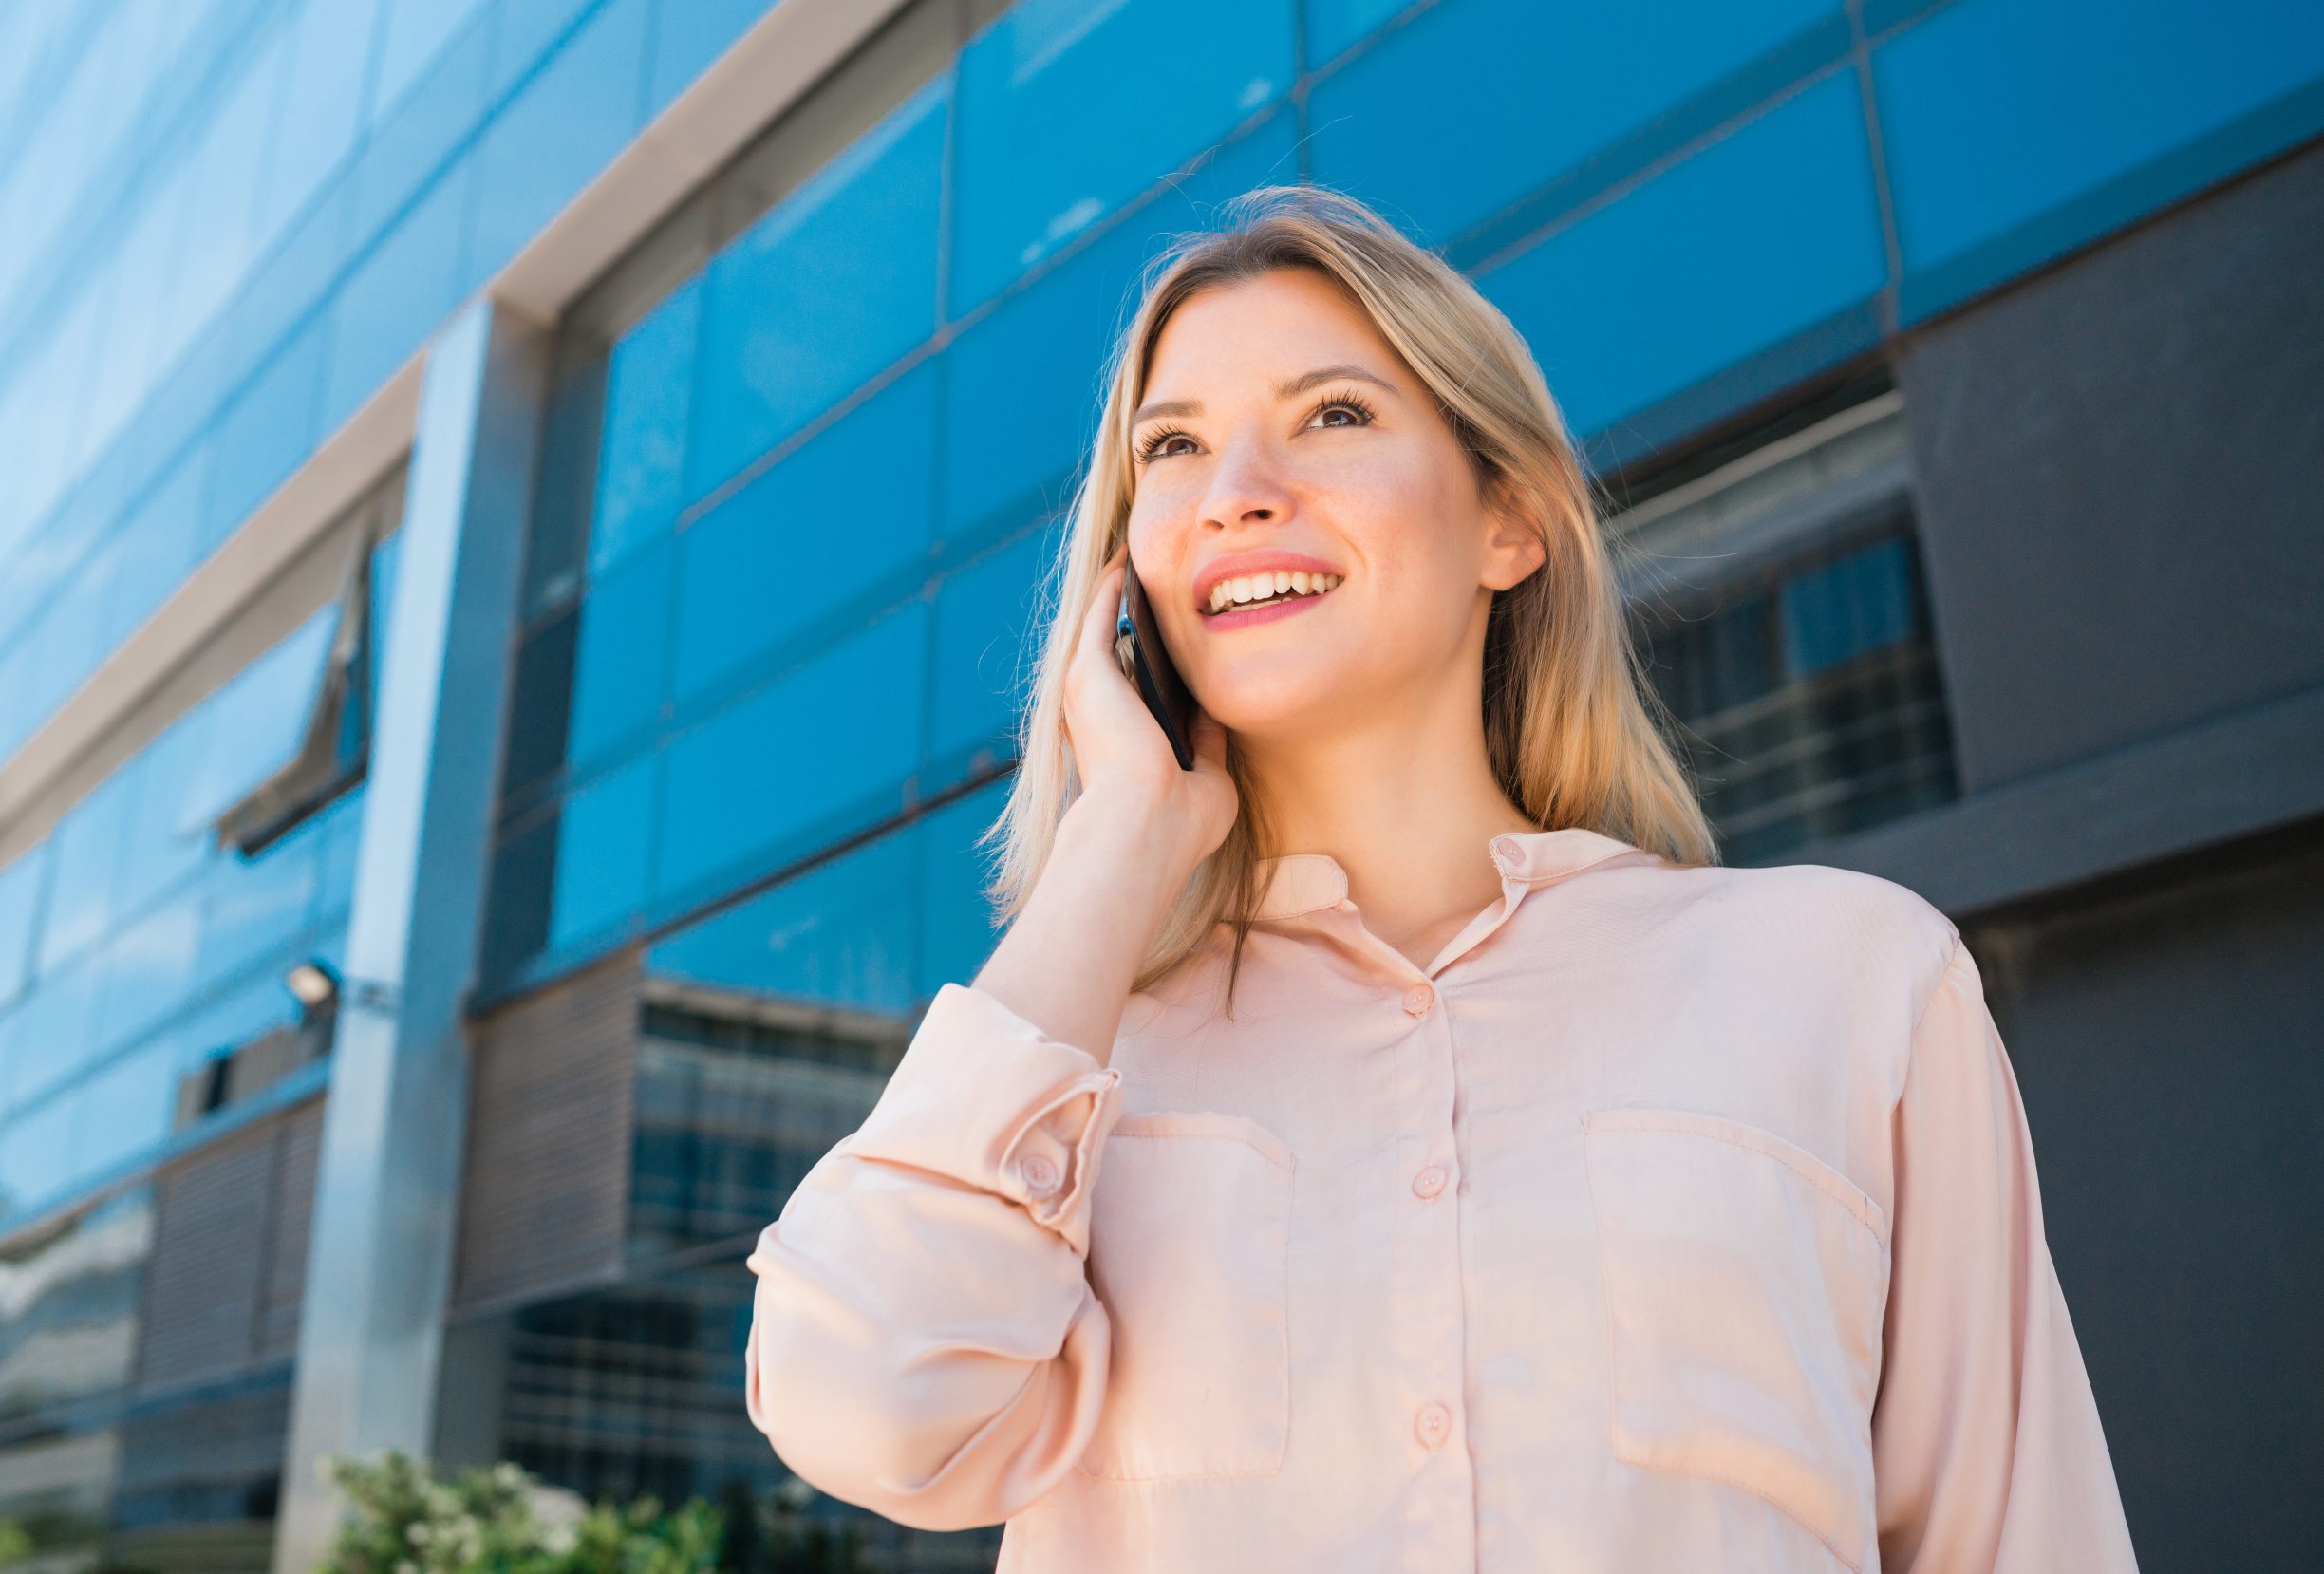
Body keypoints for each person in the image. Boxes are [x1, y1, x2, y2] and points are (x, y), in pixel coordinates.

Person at [740, 185, 2139, 1572]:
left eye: (1333, 417)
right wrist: (1119, 838)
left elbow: (2019, 1538)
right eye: (1174, 448)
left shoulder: (1848, 981)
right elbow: (862, 1412)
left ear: (1509, 522)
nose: (1236, 497)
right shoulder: (1070, 1076)